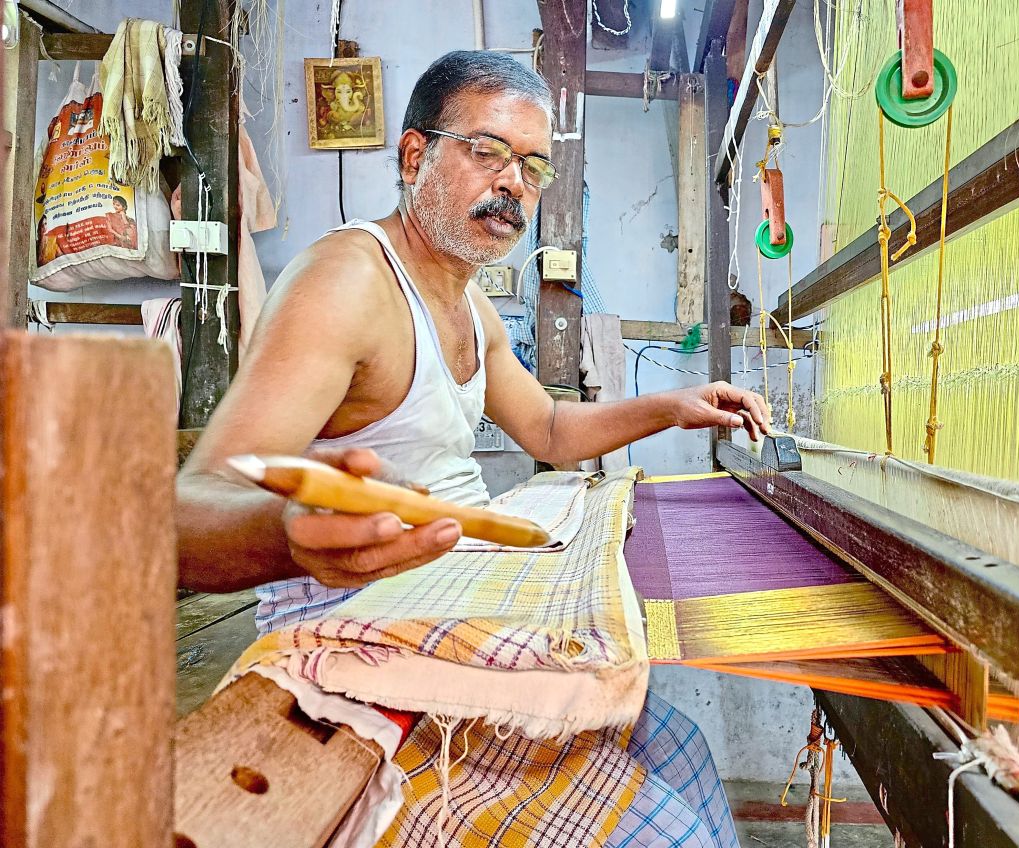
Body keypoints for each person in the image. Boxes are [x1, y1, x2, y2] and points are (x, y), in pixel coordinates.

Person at [177, 50, 771, 847]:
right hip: (362, 624)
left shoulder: (465, 301)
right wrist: (291, 534)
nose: (514, 184)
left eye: (532, 165)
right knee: (671, 836)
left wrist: (675, 405)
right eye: (487, 151)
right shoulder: (349, 281)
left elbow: (551, 433)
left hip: (455, 600)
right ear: (415, 154)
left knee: (684, 751)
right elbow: (192, 505)